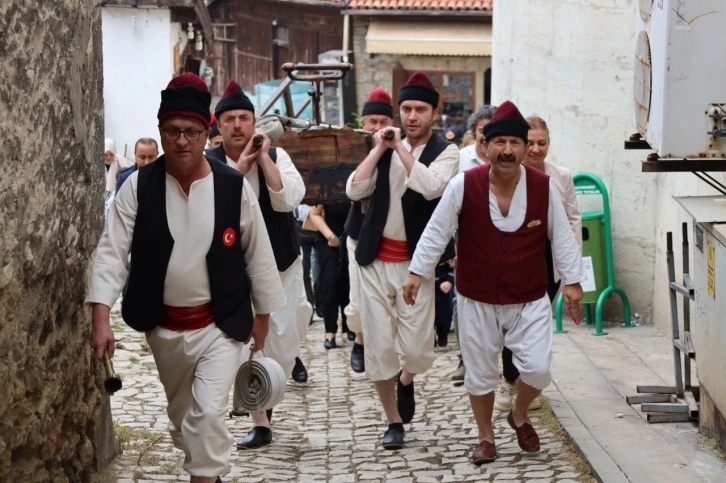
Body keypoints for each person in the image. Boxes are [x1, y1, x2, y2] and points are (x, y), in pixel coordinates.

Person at [87, 73, 285, 483]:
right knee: (184, 422)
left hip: (221, 325)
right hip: (163, 329)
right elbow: (111, 252)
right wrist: (101, 317)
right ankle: (199, 454)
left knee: (208, 414)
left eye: (191, 132)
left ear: (205, 132)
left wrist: (261, 319)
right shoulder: (137, 187)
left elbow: (259, 254)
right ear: (160, 131)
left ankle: (204, 475)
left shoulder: (232, 186)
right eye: (172, 131)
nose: (181, 141)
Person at [403, 100, 583, 465]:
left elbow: (562, 236)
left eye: (515, 143)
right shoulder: (462, 185)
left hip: (529, 295)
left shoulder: (545, 187)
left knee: (539, 368)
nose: (507, 150)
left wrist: (572, 282)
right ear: (484, 147)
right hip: (477, 296)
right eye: (499, 142)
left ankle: (518, 413)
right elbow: (437, 231)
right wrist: (417, 272)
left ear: (523, 147)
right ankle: (485, 437)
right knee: (480, 374)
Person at [346, 71, 459, 449]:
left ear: (434, 113)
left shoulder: (447, 151)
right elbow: (354, 189)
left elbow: (429, 187)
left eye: (420, 110)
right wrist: (379, 148)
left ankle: (406, 379)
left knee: (416, 350)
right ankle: (392, 421)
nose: (412, 117)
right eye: (406, 109)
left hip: (416, 267)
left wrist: (399, 150)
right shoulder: (382, 146)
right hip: (375, 261)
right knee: (379, 346)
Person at [205, 80, 312, 449]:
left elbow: (289, 201)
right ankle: (260, 420)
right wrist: (239, 166)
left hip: (281, 264)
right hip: (234, 271)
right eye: (230, 119)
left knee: (283, 342)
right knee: (249, 343)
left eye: (244, 118)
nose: (238, 125)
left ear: (255, 123)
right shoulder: (209, 164)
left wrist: (263, 158)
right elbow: (213, 210)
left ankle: (271, 385)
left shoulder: (278, 156)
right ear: (218, 126)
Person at [492, 115, 583, 413]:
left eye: (541, 143)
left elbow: (572, 219)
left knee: (538, 321)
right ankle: (508, 380)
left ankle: (529, 382)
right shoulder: (506, 174)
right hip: (516, 256)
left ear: (548, 143)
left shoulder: (561, 176)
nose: (535, 149)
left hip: (549, 258)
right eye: (529, 143)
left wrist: (572, 273)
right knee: (511, 320)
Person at [345, 87, 395, 373]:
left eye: (382, 121)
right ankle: (360, 340)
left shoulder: (402, 148)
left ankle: (388, 351)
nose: (377, 127)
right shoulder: (352, 147)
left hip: (391, 235)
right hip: (360, 232)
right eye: (372, 121)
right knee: (357, 297)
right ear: (363, 124)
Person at [451, 105, 497, 385]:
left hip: (501, 241)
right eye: (483, 131)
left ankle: (498, 361)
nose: (488, 137)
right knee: (463, 300)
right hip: (466, 241)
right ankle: (464, 358)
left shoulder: (507, 159)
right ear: (474, 132)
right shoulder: (460, 160)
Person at [310, 203, 351, 348]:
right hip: (329, 239)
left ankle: (351, 325)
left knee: (350, 281)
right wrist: (331, 236)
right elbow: (314, 214)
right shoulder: (326, 183)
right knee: (329, 282)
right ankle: (330, 332)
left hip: (353, 236)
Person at [459, 106, 497, 173]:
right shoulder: (459, 158)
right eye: (482, 131)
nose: (486, 137)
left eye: (492, 132)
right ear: (474, 131)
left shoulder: (506, 160)